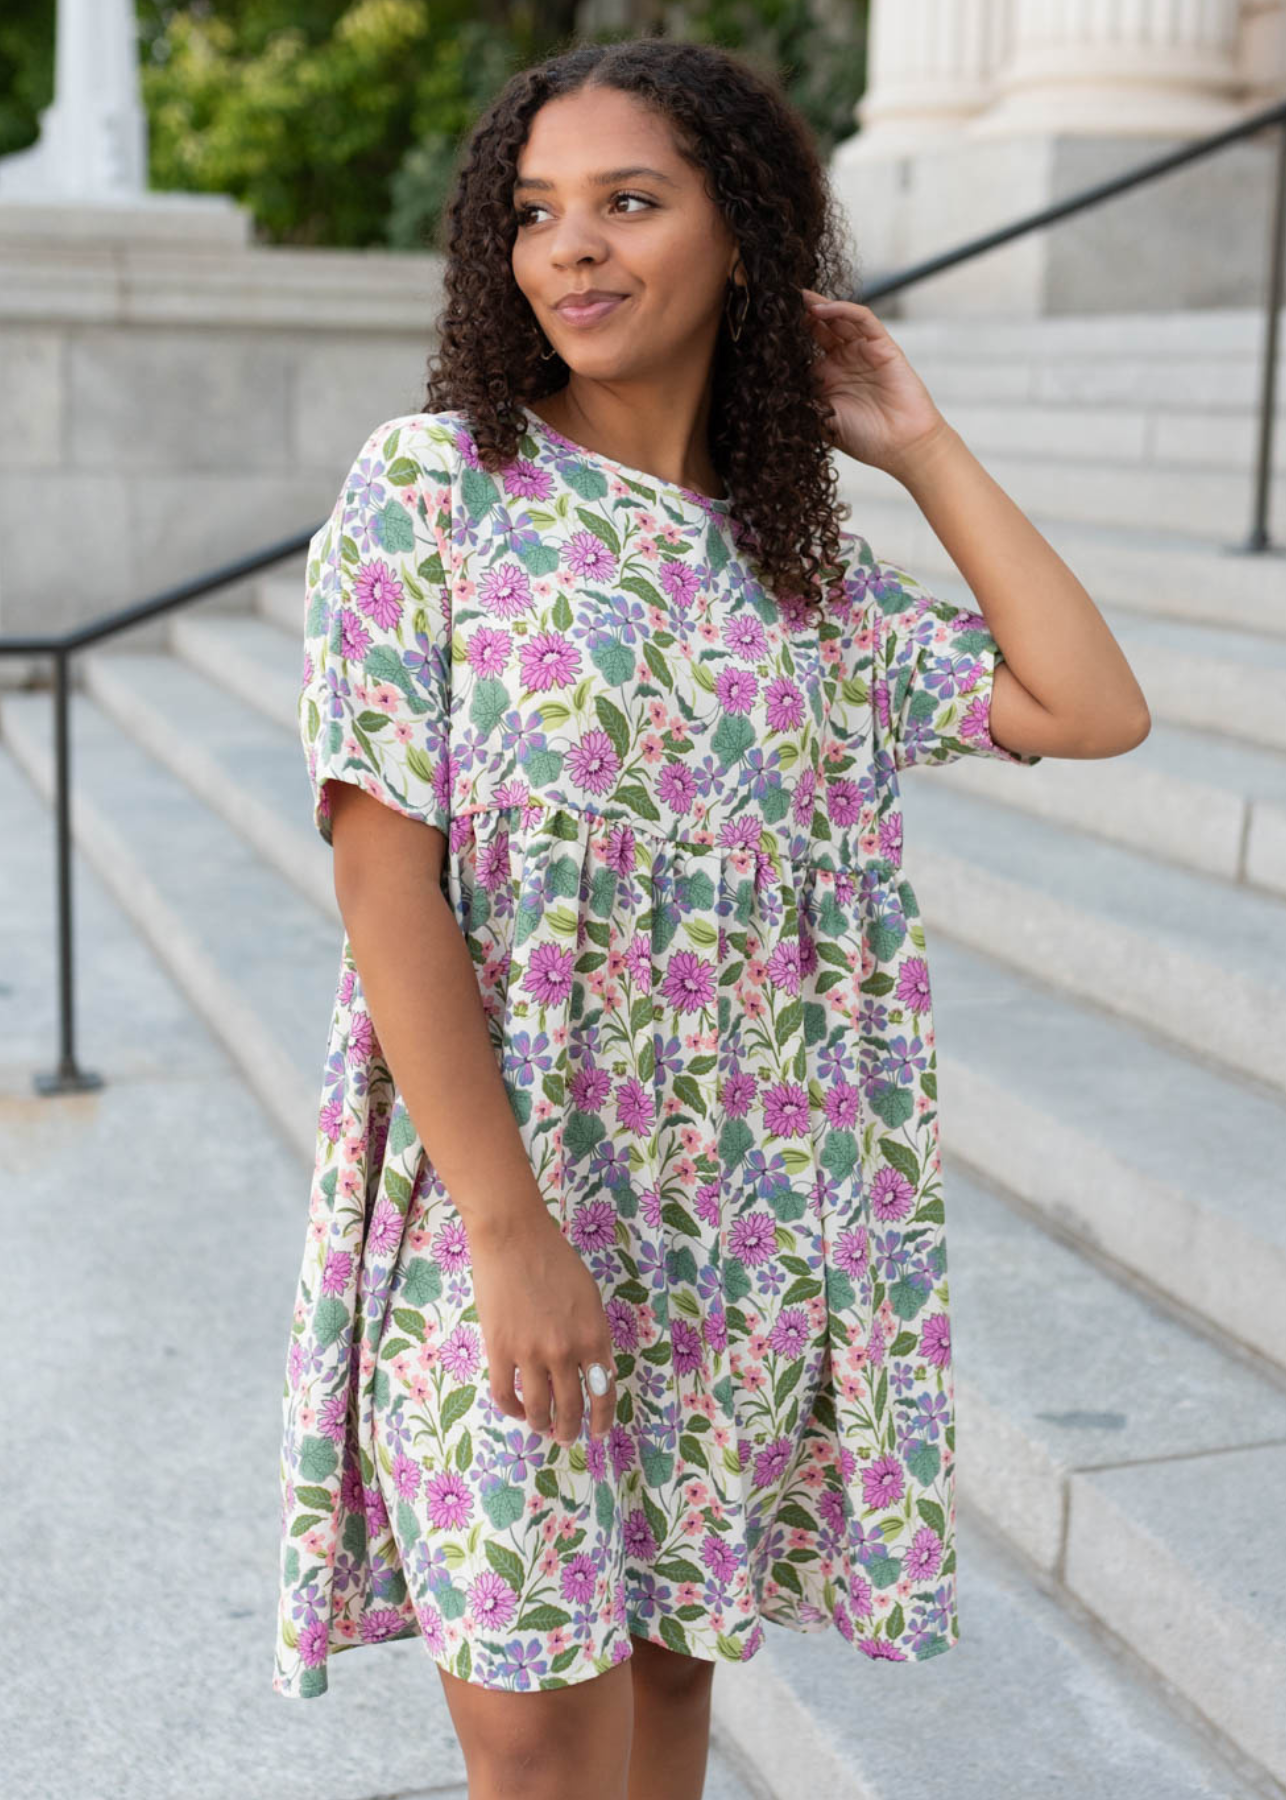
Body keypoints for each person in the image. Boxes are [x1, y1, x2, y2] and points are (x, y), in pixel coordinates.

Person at [271, 32, 1151, 1800]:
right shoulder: (437, 491)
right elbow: (386, 877)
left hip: (738, 1209)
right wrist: (509, 1231)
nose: (572, 248)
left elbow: (1085, 705)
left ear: (742, 236)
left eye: (629, 202)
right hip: (499, 1188)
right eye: (535, 213)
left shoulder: (803, 573)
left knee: (667, 1688)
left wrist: (917, 443)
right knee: (528, 1737)